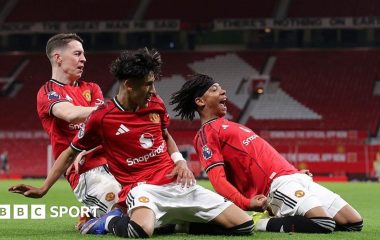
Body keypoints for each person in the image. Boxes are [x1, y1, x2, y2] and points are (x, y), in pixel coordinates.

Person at [10, 49, 254, 238]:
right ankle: (101, 222)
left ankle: (181, 224)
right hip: (141, 188)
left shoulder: (155, 104)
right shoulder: (101, 117)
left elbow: (165, 135)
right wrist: (43, 189)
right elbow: (70, 152)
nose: (152, 90)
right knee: (141, 231)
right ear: (129, 84)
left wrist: (180, 162)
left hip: (176, 183)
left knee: (244, 225)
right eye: (147, 84)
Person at [170, 73, 364, 233]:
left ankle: (285, 212)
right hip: (276, 185)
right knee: (323, 223)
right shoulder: (206, 134)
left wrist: (295, 171)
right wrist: (245, 203)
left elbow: (262, 156)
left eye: (220, 87)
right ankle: (256, 223)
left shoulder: (230, 126)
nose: (222, 91)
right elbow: (218, 180)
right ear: (200, 101)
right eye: (214, 89)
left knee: (354, 222)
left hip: (294, 178)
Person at [26, 33, 121, 219]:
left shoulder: (91, 88)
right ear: (58, 58)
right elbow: (70, 114)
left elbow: (103, 124)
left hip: (115, 165)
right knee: (131, 217)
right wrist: (113, 109)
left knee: (152, 208)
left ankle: (93, 213)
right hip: (85, 172)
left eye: (83, 54)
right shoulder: (48, 92)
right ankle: (92, 221)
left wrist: (104, 115)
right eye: (77, 54)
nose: (84, 59)